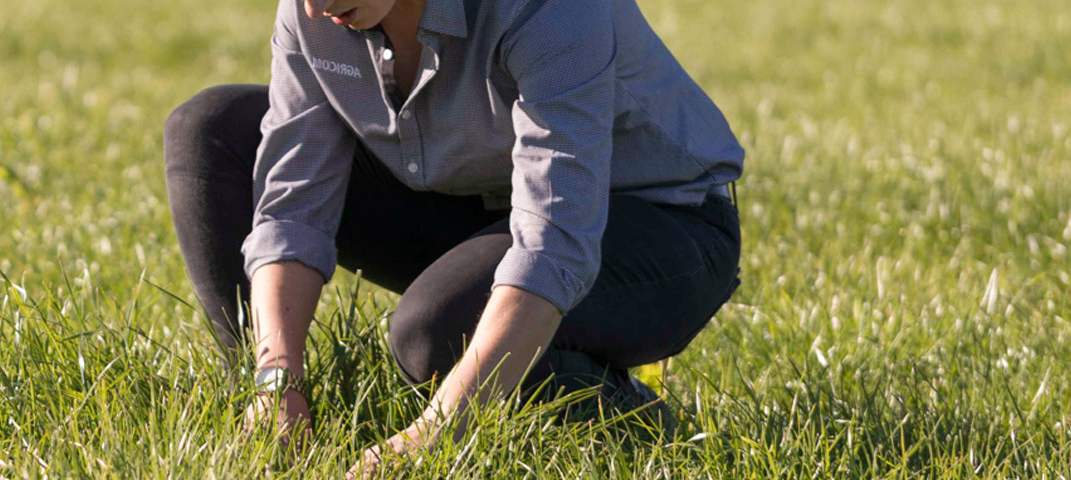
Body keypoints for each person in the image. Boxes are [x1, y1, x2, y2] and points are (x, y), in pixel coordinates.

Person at [159, 0, 744, 473]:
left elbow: (555, 240)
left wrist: (435, 433)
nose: (316, 8)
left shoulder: (550, 8)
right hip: (481, 201)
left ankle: (639, 422)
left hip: (661, 223)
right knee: (211, 129)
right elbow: (292, 205)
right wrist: (275, 378)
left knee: (438, 332)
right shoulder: (315, 10)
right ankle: (277, 412)